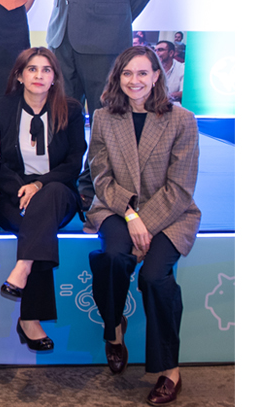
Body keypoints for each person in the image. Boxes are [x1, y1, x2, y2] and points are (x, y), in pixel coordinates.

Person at [84, 46, 199, 406]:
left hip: (172, 213)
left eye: (143, 73)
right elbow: (100, 176)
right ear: (118, 78)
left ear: (156, 76)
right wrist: (131, 216)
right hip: (117, 208)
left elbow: (180, 188)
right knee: (113, 257)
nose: (135, 80)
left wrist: (145, 223)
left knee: (154, 277)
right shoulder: (104, 117)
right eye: (127, 73)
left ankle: (170, 371)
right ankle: (114, 329)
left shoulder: (182, 120)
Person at [0, 48, 84, 353]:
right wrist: (22, 188)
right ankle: (29, 318)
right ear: (19, 75)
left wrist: (39, 185)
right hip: (12, 193)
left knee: (47, 201)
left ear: (55, 77)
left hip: (57, 190)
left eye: (46, 70)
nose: (39, 76)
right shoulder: (0, 108)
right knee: (39, 225)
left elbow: (74, 163)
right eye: (32, 69)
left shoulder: (70, 109)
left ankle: (23, 266)